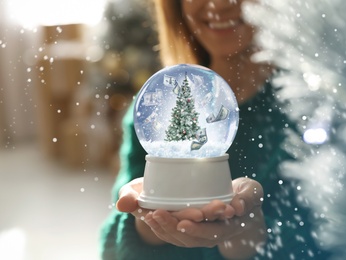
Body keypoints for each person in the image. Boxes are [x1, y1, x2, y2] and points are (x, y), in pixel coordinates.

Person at [100, 0, 331, 259]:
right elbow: (113, 250)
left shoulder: (317, 111)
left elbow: (337, 240)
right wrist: (147, 224)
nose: (218, 4)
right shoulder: (153, 113)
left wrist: (248, 237)